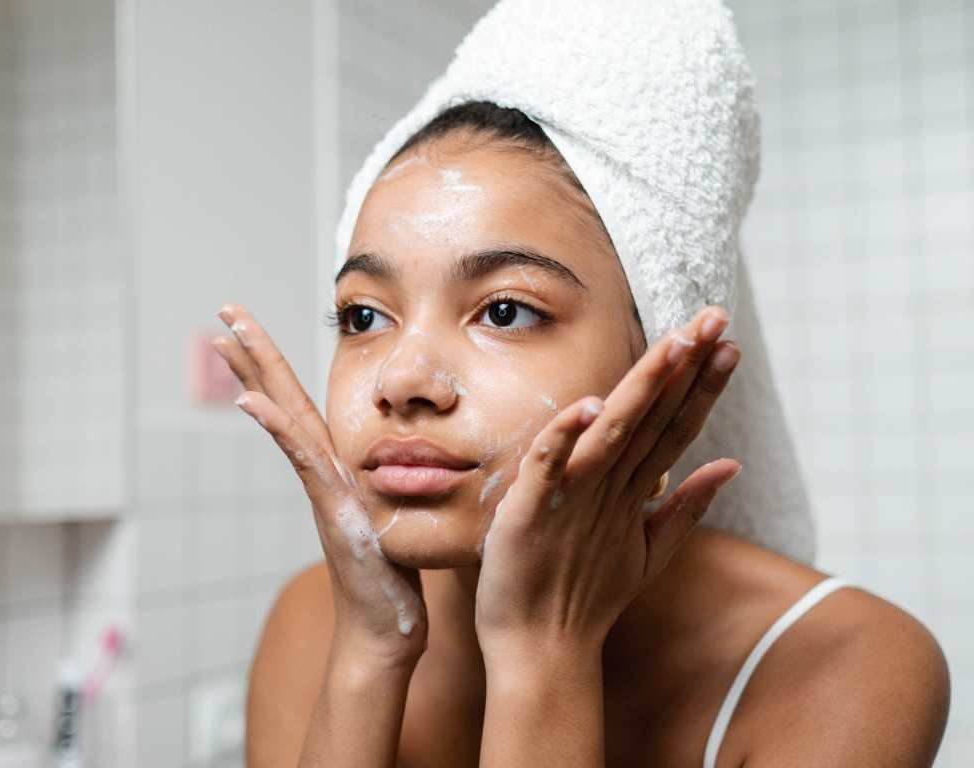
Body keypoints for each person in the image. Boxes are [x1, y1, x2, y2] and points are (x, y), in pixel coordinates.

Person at [213, 100, 950, 767]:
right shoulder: (318, 625)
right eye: (364, 316)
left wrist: (544, 654)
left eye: (504, 311)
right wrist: (370, 656)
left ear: (662, 365)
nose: (401, 380)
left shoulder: (846, 664)